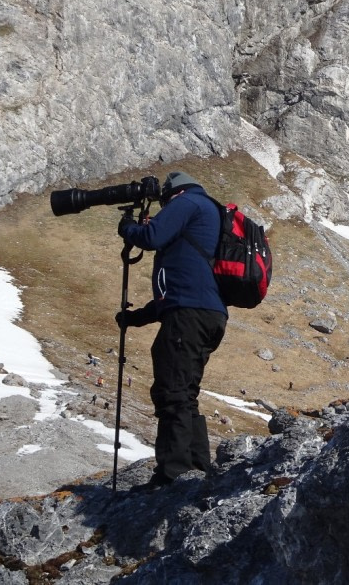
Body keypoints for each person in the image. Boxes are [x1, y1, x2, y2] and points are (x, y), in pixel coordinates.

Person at [117, 171, 227, 490]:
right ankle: (195, 468)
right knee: (184, 392)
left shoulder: (188, 202)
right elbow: (174, 294)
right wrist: (136, 318)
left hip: (190, 314)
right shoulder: (207, 211)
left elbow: (151, 238)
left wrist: (128, 228)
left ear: (172, 192)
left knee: (172, 391)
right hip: (204, 313)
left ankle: (172, 474)